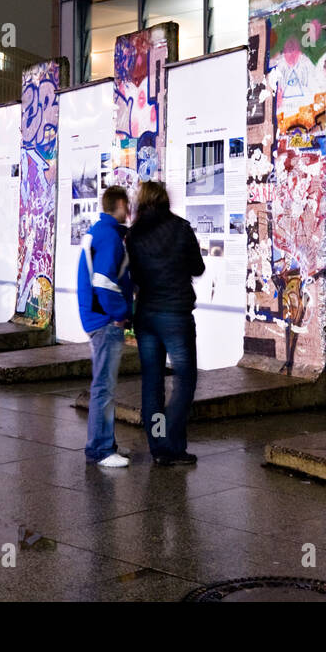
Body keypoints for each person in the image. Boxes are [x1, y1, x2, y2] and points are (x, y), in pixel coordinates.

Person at [125, 180, 204, 466]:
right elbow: (198, 267)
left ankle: (160, 446)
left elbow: (133, 276)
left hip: (146, 316)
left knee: (153, 384)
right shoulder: (181, 228)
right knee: (185, 380)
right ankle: (172, 440)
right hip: (176, 315)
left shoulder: (134, 236)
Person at [78, 185, 134, 468]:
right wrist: (120, 313)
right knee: (104, 387)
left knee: (103, 385)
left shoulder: (98, 232)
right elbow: (102, 281)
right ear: (121, 204)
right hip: (105, 320)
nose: (130, 210)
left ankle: (102, 444)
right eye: (128, 205)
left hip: (96, 318)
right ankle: (100, 449)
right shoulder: (110, 237)